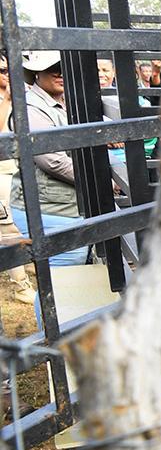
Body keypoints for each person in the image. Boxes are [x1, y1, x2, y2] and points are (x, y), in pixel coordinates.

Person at [9, 51, 87, 266]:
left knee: (70, 270)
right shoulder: (31, 108)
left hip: (63, 203)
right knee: (65, 265)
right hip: (47, 206)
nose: (60, 73)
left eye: (64, 67)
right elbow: (53, 161)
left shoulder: (64, 102)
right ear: (36, 73)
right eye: (53, 68)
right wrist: (99, 181)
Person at [0, 54, 37, 301]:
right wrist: (8, 100)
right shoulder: (8, 97)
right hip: (2, 171)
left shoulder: (23, 91)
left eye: (8, 68)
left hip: (22, 167)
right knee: (8, 228)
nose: (6, 73)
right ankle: (21, 284)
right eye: (2, 70)